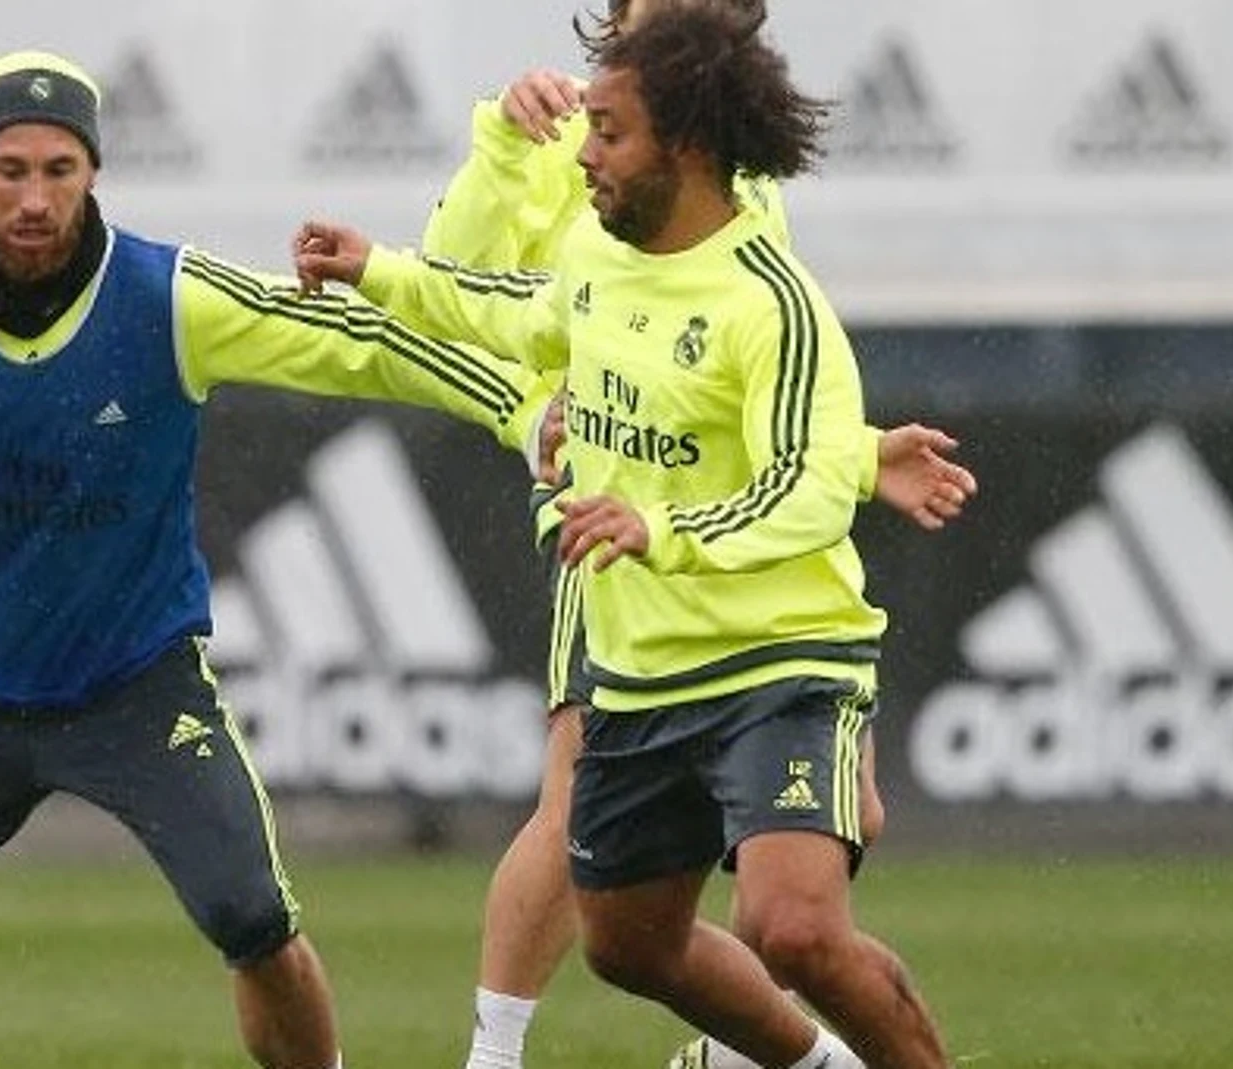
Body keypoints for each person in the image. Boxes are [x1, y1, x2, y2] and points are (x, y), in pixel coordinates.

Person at [0, 50, 553, 1069]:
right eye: (10, 169)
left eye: (60, 169)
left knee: (255, 920)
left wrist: (521, 406)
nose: (35, 196)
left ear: (92, 173)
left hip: (136, 687)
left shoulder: (165, 295)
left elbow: (353, 341)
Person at [293, 5, 953, 1067]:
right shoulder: (602, 260)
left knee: (789, 926)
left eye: (607, 135)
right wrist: (379, 266)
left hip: (778, 656)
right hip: (644, 665)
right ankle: (796, 1057)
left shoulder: (774, 302)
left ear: (685, 146)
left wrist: (664, 525)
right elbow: (510, 312)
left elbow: (801, 485)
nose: (585, 154)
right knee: (625, 944)